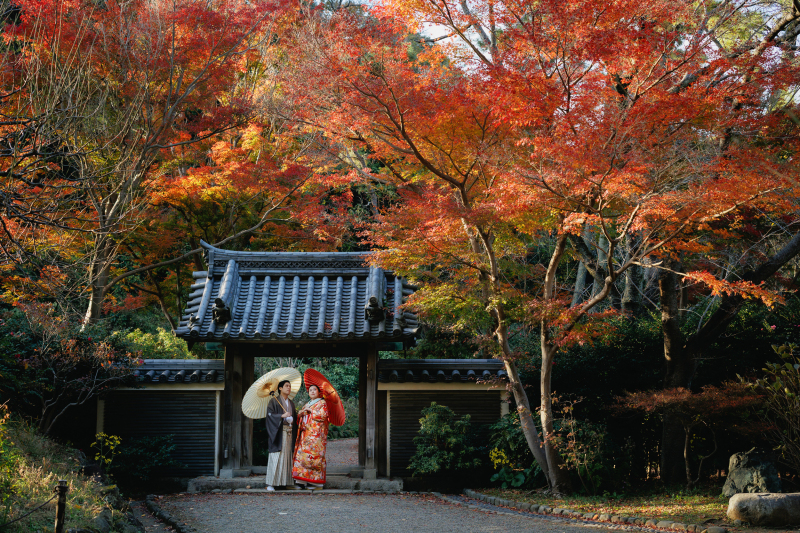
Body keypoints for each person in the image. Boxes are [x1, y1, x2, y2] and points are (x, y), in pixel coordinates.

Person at [292, 383, 329, 489]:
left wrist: (311, 411)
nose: (312, 391)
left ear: (319, 392)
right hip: (305, 434)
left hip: (315, 436)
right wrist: (301, 413)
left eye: (314, 390)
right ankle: (301, 481)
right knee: (301, 457)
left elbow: (323, 415)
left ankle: (316, 482)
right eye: (310, 390)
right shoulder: (307, 403)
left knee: (314, 458)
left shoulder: (322, 402)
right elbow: (300, 417)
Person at [265, 379, 297, 491]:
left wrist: (292, 420)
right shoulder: (273, 401)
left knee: (288, 457)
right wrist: (282, 416)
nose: (289, 388)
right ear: (280, 388)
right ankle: (271, 483)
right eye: (286, 386)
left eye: (290, 386)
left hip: (289, 432)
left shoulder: (291, 403)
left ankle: (287, 482)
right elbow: (269, 416)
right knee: (277, 456)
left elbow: (295, 419)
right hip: (279, 433)